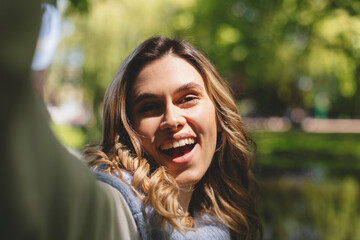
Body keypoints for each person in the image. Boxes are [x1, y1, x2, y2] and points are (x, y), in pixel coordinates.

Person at [84, 36, 263, 240]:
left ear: (219, 117)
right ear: (126, 130)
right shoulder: (110, 205)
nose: (171, 120)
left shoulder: (220, 220)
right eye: (150, 107)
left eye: (187, 99)